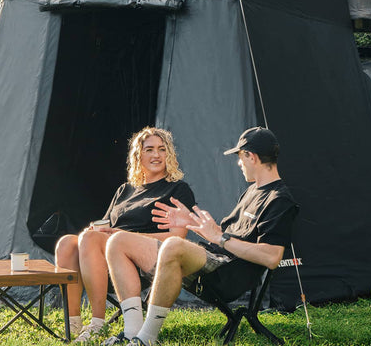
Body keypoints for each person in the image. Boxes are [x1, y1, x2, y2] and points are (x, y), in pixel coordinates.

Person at [103, 126, 296, 345]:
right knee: (118, 241)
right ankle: (131, 332)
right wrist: (193, 223)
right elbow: (224, 235)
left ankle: (146, 339)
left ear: (250, 156)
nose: (239, 163)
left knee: (173, 244)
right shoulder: (253, 190)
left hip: (230, 273)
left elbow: (271, 258)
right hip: (215, 257)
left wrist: (220, 238)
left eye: (240, 157)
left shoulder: (279, 200)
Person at [55, 127, 196, 342]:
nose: (156, 155)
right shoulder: (125, 190)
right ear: (139, 156)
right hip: (108, 260)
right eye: (149, 150)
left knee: (92, 239)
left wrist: (118, 234)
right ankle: (73, 324)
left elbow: (176, 240)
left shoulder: (178, 189)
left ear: (169, 154)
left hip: (146, 259)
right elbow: (105, 228)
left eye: (161, 149)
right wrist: (95, 231)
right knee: (67, 243)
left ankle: (97, 324)